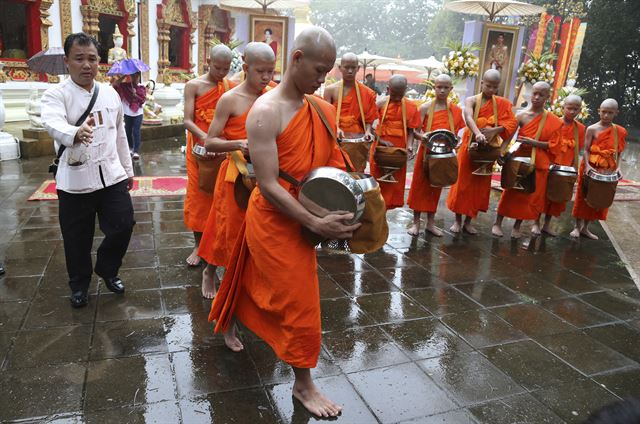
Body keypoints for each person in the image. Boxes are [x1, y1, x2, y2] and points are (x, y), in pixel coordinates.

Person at [210, 27, 358, 418]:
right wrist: (316, 221)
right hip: (275, 218)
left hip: (308, 212)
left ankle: (230, 314)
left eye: (327, 71)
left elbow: (328, 165)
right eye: (319, 69)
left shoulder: (321, 107)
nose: (323, 78)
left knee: (264, 284)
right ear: (295, 59)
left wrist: (346, 203)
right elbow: (270, 185)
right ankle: (304, 384)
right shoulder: (265, 112)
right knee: (300, 300)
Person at [41, 33, 134, 308]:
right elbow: (51, 122)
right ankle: (79, 284)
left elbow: (120, 134)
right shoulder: (55, 95)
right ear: (67, 61)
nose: (86, 65)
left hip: (111, 174)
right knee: (76, 238)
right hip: (74, 180)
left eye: (92, 59)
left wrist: (127, 170)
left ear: (99, 62)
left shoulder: (109, 93)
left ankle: (107, 269)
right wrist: (74, 132)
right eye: (79, 58)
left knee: (123, 224)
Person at [197, 42, 275, 301]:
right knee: (225, 227)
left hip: (264, 174)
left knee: (258, 228)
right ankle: (210, 270)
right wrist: (239, 143)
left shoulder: (273, 95)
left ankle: (248, 275)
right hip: (235, 172)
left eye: (270, 72)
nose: (266, 78)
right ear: (245, 68)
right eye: (260, 71)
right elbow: (210, 141)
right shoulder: (230, 99)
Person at [446, 69, 518, 234]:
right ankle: (458, 220)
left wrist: (496, 133)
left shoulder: (502, 103)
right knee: (463, 184)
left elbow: (513, 124)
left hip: (488, 149)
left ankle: (469, 221)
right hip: (469, 147)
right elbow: (469, 117)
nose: (491, 90)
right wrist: (478, 133)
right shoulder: (472, 100)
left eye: (495, 87)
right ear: (482, 83)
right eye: (488, 86)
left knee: (479, 185)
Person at [182, 45, 234, 267]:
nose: (221, 73)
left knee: (222, 196)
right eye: (217, 67)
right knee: (199, 197)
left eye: (226, 68)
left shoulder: (230, 87)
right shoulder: (194, 86)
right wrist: (206, 138)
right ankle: (198, 245)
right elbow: (187, 120)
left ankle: (220, 241)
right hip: (199, 152)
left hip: (223, 150)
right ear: (208, 61)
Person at [493, 82, 563, 238]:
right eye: (535, 93)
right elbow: (508, 138)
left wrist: (534, 143)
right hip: (518, 160)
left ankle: (517, 226)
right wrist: (502, 152)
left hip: (538, 162)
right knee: (510, 192)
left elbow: (554, 145)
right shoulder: (521, 115)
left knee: (528, 195)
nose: (537, 97)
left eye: (541, 95)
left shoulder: (553, 120)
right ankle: (498, 223)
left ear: (548, 97)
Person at [407, 74, 464, 236]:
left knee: (435, 188)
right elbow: (415, 130)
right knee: (419, 187)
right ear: (434, 88)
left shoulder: (455, 111)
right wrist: (422, 137)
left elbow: (456, 134)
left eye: (446, 87)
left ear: (451, 89)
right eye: (439, 87)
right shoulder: (425, 108)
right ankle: (416, 223)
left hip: (443, 155)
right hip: (426, 154)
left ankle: (430, 223)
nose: (442, 90)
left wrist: (458, 142)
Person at [570, 98, 627, 239]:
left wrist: (618, 168)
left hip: (607, 168)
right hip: (590, 166)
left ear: (616, 113)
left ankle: (586, 228)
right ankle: (577, 227)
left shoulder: (619, 131)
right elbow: (587, 150)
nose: (606, 115)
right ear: (598, 111)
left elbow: (618, 152)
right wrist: (588, 166)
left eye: (610, 113)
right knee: (583, 197)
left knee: (599, 197)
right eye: (604, 112)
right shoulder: (592, 129)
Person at [369, 74, 421, 209]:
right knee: (377, 184)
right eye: (394, 94)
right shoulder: (380, 104)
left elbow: (411, 131)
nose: (397, 98)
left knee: (393, 186)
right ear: (388, 89)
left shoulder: (411, 106)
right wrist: (381, 140)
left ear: (406, 89)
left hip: (399, 151)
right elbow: (369, 128)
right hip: (381, 149)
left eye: (400, 94)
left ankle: (385, 214)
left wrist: (409, 147)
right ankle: (376, 212)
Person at [323, 52, 378, 171]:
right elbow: (326, 116)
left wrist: (368, 131)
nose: (350, 71)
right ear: (340, 68)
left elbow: (369, 118)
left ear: (358, 68)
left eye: (353, 67)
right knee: (335, 173)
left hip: (357, 144)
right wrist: (336, 128)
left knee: (355, 174)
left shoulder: (367, 93)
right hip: (336, 139)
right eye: (346, 67)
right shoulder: (330, 90)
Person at [541, 94, 585, 235]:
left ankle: (546, 224)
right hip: (549, 164)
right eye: (569, 108)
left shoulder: (581, 129)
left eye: (576, 109)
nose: (572, 112)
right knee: (542, 195)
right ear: (563, 107)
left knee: (557, 198)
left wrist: (573, 169)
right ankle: (536, 222)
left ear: (580, 110)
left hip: (566, 168)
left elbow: (577, 150)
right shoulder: (554, 122)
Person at [112, 72, 146, 160]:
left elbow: (142, 100)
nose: (135, 78)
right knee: (127, 130)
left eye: (136, 76)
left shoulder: (141, 87)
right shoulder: (125, 86)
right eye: (133, 76)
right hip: (127, 111)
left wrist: (136, 96)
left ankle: (136, 151)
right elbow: (115, 85)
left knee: (136, 131)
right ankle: (130, 148)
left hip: (138, 112)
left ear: (139, 77)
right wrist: (123, 76)